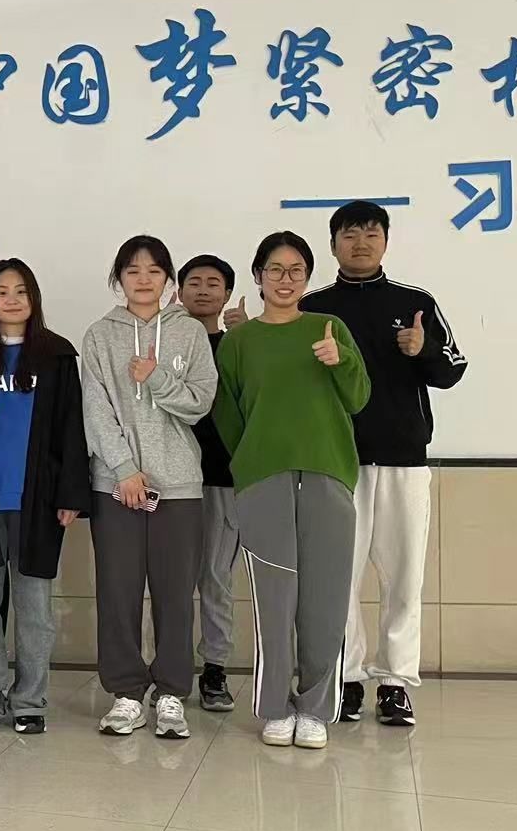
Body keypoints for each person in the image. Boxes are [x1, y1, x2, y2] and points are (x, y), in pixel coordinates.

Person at [303, 201, 467, 727]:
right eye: (349, 234)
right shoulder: (312, 307)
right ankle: (348, 678)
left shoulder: (415, 303)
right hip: (336, 462)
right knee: (338, 578)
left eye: (371, 234)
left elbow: (453, 370)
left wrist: (424, 349)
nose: (360, 243)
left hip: (403, 460)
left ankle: (395, 683)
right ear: (333, 245)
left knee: (404, 577)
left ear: (385, 242)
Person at [214, 231, 370, 750]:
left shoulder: (329, 329)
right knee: (274, 602)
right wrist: (252, 462)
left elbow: (359, 398)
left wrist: (341, 360)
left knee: (327, 599)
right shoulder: (239, 342)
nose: (285, 280)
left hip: (328, 476)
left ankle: (317, 708)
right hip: (264, 483)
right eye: (275, 270)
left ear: (307, 277)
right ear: (258, 276)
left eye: (296, 270)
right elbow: (228, 415)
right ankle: (275, 707)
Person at [0, 259, 88, 735]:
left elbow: (71, 427)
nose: (11, 299)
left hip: (36, 502)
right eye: (2, 291)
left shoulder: (56, 356)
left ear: (33, 299)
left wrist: (70, 493)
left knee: (35, 608)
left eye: (21, 291)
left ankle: (29, 700)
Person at [82, 237, 217, 741]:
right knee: (117, 592)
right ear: (119, 278)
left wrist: (156, 378)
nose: (143, 279)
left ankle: (171, 693)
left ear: (167, 279)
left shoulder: (189, 333)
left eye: (154, 270)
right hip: (115, 485)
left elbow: (200, 403)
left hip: (178, 485)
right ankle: (125, 692)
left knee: (175, 594)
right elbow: (95, 408)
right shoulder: (100, 335)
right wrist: (123, 468)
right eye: (133, 270)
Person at [178, 254, 241, 713]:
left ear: (227, 294)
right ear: (179, 292)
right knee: (170, 582)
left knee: (216, 580)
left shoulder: (239, 345)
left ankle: (215, 669)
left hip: (223, 480)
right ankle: (170, 667)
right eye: (194, 282)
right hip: (173, 480)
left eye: (213, 283)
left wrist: (248, 337)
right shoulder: (166, 344)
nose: (203, 290)